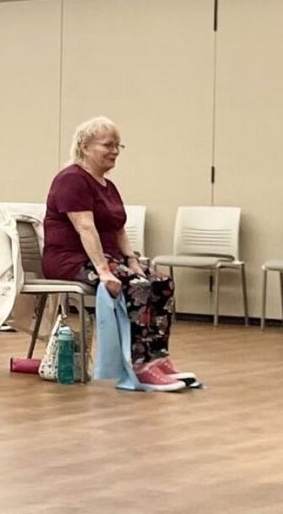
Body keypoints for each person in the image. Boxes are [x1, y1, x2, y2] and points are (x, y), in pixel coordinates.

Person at [42, 117, 188, 391]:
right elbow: (85, 227)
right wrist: (104, 271)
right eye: (108, 145)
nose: (115, 151)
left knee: (162, 282)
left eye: (118, 146)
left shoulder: (107, 186)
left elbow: (119, 229)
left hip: (108, 258)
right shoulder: (71, 179)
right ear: (85, 147)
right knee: (138, 286)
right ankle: (139, 365)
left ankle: (157, 357)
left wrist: (133, 260)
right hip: (71, 259)